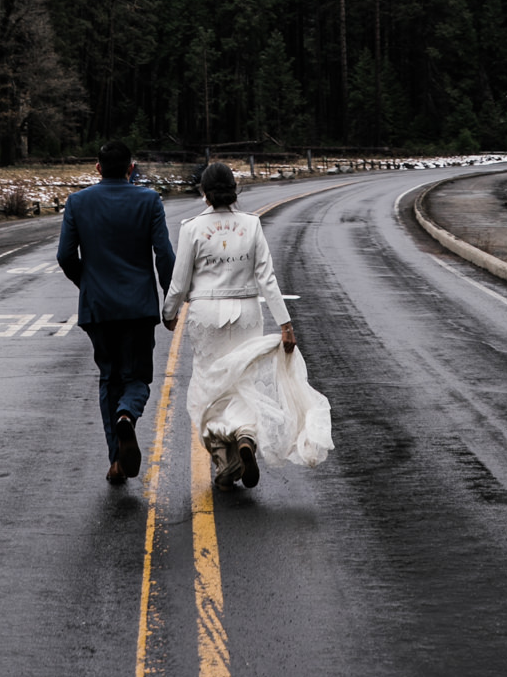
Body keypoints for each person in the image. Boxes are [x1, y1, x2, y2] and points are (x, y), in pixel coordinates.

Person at [162, 161, 332, 490]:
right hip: (246, 311)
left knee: (209, 385)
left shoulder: (192, 228)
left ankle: (225, 461)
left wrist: (169, 312)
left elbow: (179, 282)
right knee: (242, 380)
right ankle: (246, 435)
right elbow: (267, 279)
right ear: (234, 191)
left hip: (206, 313)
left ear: (204, 193)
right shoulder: (251, 226)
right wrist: (285, 323)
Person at [57, 140, 176, 487]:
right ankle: (128, 413)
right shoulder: (149, 200)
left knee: (109, 378)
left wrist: (88, 285)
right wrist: (170, 302)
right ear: (131, 168)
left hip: (99, 308)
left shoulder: (78, 202)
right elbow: (164, 255)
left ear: (97, 168)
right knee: (137, 377)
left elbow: (66, 255)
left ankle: (116, 461)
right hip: (138, 307)